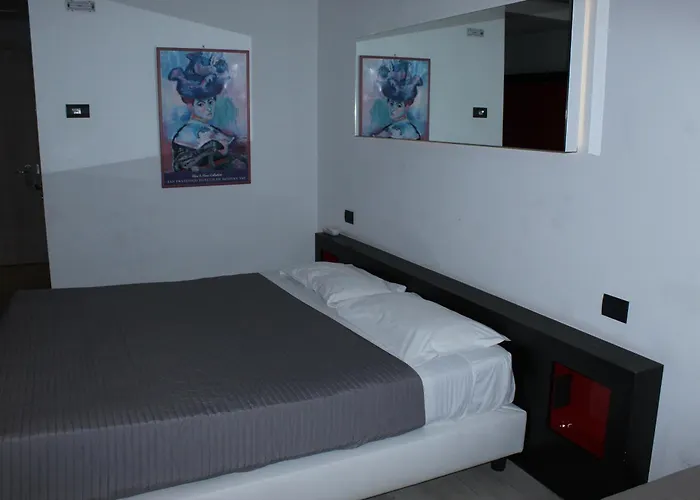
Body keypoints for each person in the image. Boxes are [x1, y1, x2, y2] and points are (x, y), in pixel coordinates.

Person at [167, 52, 243, 172]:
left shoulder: (213, 130)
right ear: (190, 105)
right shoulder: (184, 136)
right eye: (201, 104)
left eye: (211, 102)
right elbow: (185, 169)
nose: (208, 108)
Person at [370, 59, 425, 140]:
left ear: (407, 106)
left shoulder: (407, 130)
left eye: (399, 105)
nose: (393, 109)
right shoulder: (391, 127)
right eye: (391, 103)